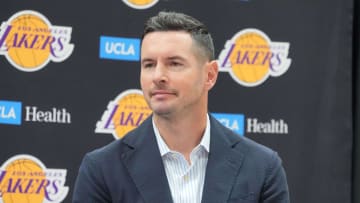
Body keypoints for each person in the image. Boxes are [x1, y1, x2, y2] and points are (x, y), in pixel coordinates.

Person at [72, 11, 290, 203]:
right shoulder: (101, 169)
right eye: (148, 65)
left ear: (210, 75)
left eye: (174, 63)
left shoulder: (262, 167)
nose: (158, 76)